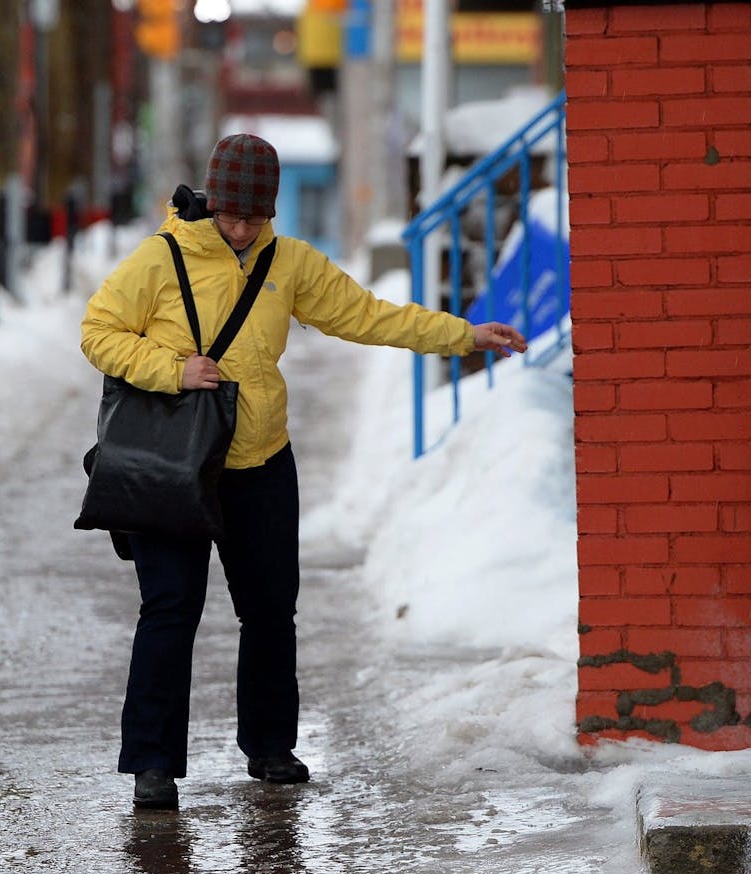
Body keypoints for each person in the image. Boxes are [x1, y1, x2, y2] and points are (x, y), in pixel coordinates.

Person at [79, 134, 527, 810]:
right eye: (232, 216)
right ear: (212, 202)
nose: (241, 230)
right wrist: (173, 369)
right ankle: (151, 761)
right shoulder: (161, 259)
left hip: (259, 461)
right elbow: (98, 332)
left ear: (270, 212)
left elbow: (366, 314)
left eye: (255, 219)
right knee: (170, 608)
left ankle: (269, 745)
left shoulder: (287, 263)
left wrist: (462, 334)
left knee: (269, 611)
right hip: (173, 465)